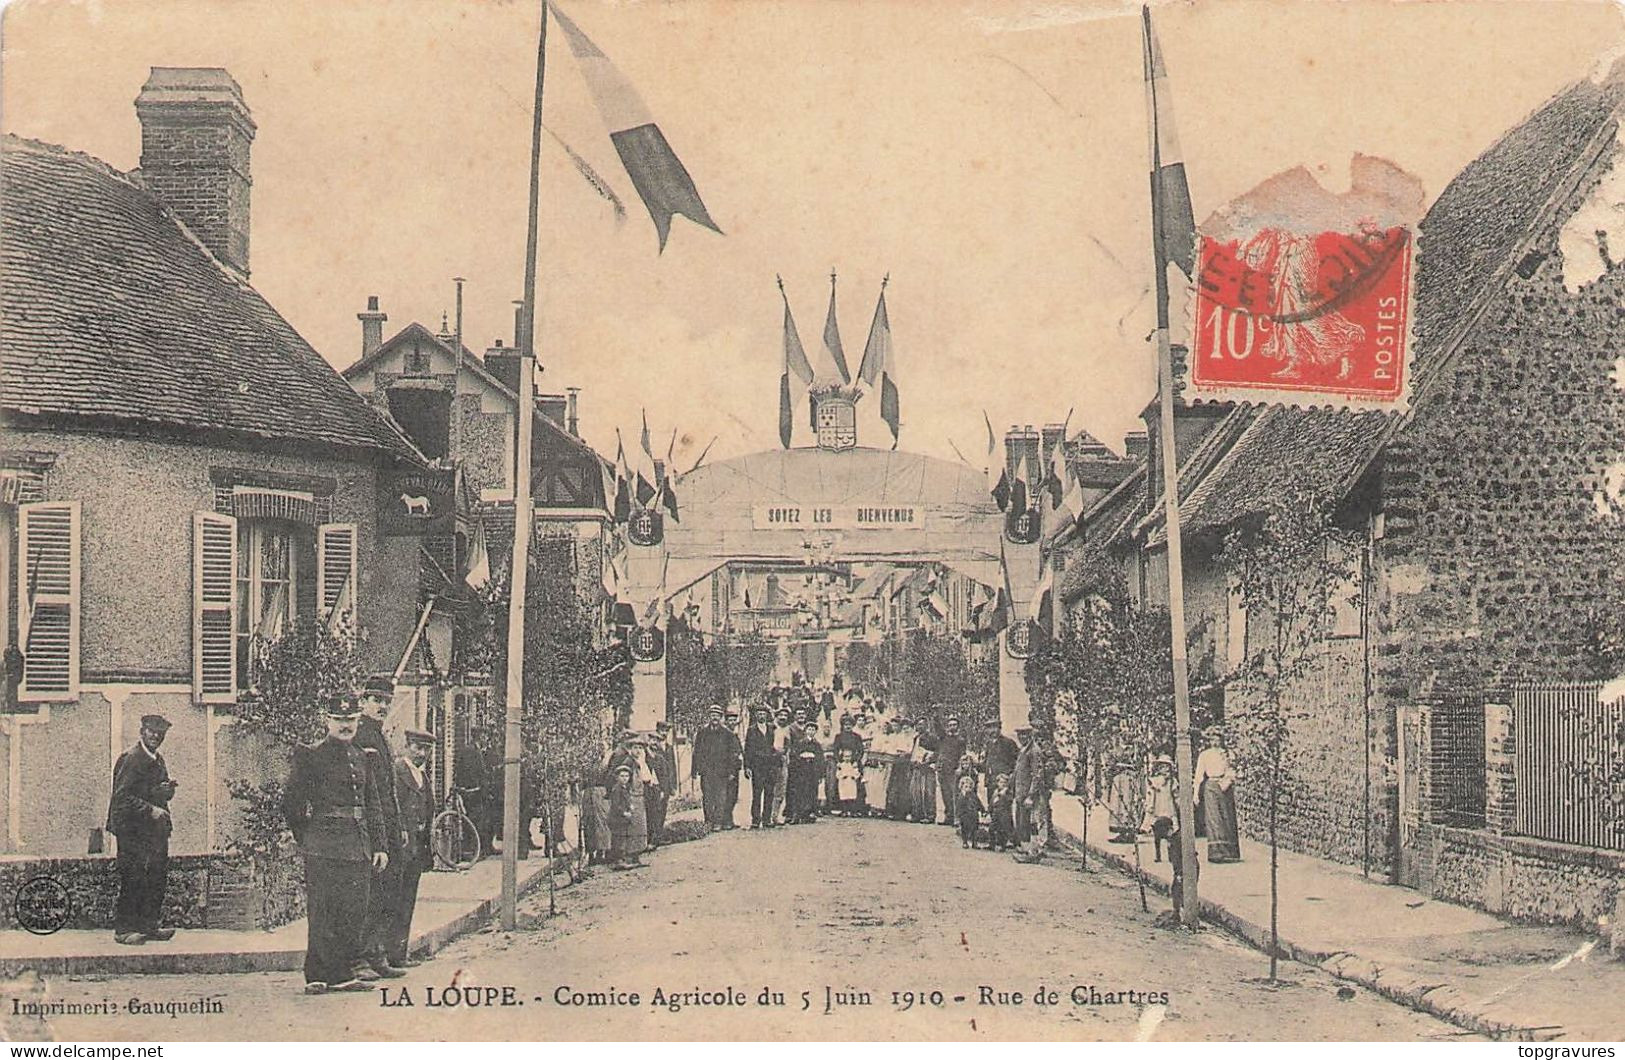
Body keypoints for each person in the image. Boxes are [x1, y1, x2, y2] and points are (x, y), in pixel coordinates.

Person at [283, 699, 388, 995]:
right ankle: (317, 974)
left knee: (353, 910)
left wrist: (380, 846)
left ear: (357, 721)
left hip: (358, 844)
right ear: (327, 720)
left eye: (351, 720)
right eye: (339, 719)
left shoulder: (362, 756)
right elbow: (291, 803)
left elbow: (372, 804)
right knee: (323, 910)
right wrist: (307, 838)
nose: (345, 726)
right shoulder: (312, 756)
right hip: (323, 846)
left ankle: (341, 972)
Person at [106, 713, 178, 945]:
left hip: (153, 830)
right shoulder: (131, 758)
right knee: (133, 875)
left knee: (156, 875)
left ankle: (149, 926)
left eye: (160, 734)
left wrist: (167, 790)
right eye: (152, 732)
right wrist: (151, 810)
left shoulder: (158, 760)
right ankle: (124, 930)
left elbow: (152, 792)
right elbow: (122, 798)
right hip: (131, 828)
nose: (156, 736)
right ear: (142, 732)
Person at [353, 676, 406, 980]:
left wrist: (396, 826)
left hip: (387, 824)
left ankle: (377, 953)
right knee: (371, 893)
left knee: (388, 891)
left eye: (387, 701)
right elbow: (368, 790)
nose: (383, 706)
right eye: (377, 700)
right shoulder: (361, 734)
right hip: (371, 827)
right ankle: (361, 956)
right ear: (363, 702)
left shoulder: (378, 734)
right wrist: (377, 835)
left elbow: (388, 789)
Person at [388, 729, 435, 968]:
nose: (422, 753)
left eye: (426, 749)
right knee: (393, 899)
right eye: (418, 747)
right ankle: (387, 955)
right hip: (400, 846)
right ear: (407, 746)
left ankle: (399, 954)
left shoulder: (422, 777)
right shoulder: (397, 771)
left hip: (417, 847)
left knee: (407, 900)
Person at [1194, 729, 1243, 863]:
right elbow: (1199, 775)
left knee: (1227, 817)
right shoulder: (1204, 755)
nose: (1215, 742)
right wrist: (1196, 794)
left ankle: (1231, 853)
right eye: (1212, 739)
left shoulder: (1227, 754)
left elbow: (1234, 769)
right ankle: (1216, 853)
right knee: (1214, 818)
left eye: (1217, 739)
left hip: (1225, 785)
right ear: (1209, 741)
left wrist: (1229, 779)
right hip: (1211, 786)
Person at [691, 706, 741, 830]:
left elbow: (733, 755)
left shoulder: (727, 734)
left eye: (717, 715)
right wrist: (694, 770)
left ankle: (718, 822)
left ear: (721, 717)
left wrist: (731, 772)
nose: (715, 717)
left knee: (721, 798)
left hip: (722, 771)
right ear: (709, 716)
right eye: (712, 715)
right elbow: (696, 752)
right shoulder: (702, 733)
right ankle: (709, 821)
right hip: (706, 771)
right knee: (707, 797)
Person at [744, 705, 781, 829]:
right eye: (759, 714)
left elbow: (778, 745)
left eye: (763, 713)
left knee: (769, 793)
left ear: (767, 715)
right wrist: (747, 767)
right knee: (757, 793)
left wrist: (776, 761)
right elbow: (747, 749)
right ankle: (755, 820)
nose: (761, 716)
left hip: (770, 766)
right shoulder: (751, 730)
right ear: (756, 716)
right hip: (757, 766)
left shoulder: (772, 728)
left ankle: (766, 819)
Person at [607, 763, 643, 870]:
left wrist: (630, 806)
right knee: (618, 838)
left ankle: (623, 859)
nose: (624, 778)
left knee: (623, 838)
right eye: (622, 776)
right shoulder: (616, 789)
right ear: (617, 777)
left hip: (623, 818)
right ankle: (618, 860)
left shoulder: (625, 788)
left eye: (627, 776)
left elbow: (626, 800)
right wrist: (624, 812)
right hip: (616, 818)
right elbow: (616, 805)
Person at [649, 723, 678, 846]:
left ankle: (659, 835)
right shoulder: (652, 749)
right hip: (657, 784)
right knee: (655, 810)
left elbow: (672, 767)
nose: (664, 733)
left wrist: (673, 785)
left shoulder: (669, 747)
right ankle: (654, 837)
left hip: (666, 784)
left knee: (663, 810)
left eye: (666, 731)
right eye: (662, 730)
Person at [934, 717, 967, 827]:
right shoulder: (944, 738)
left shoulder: (960, 740)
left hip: (953, 771)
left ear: (958, 726)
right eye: (950, 725)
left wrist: (959, 768)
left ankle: (956, 819)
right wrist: (936, 716)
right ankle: (948, 817)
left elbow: (963, 755)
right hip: (942, 770)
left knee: (954, 795)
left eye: (954, 725)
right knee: (945, 794)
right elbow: (938, 728)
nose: (952, 727)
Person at [831, 714, 866, 815]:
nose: (848, 726)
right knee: (842, 785)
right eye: (846, 724)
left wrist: (856, 761)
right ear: (842, 725)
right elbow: (835, 750)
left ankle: (855, 809)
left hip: (854, 763)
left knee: (856, 785)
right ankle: (844, 809)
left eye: (850, 724)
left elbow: (860, 751)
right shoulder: (839, 737)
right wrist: (839, 762)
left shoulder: (857, 737)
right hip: (843, 763)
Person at [1145, 755, 1177, 863]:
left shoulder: (1172, 781)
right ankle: (1158, 855)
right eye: (1162, 767)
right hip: (1158, 806)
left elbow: (1175, 794)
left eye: (1167, 767)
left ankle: (1171, 855)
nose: (1165, 769)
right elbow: (1151, 794)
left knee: (1171, 833)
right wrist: (1150, 806)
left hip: (1168, 806)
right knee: (1157, 832)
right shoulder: (1155, 781)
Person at [883, 720, 915, 821]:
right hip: (898, 764)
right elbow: (893, 749)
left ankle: (905, 812)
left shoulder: (914, 738)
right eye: (904, 728)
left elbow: (911, 751)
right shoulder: (899, 737)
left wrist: (905, 753)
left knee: (906, 788)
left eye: (908, 728)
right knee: (895, 787)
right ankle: (894, 811)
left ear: (911, 728)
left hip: (908, 764)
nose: (906, 730)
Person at [982, 719, 1019, 802]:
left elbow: (1017, 761)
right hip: (991, 782)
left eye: (995, 727)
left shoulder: (1008, 743)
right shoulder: (989, 744)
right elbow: (986, 763)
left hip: (1003, 782)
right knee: (992, 806)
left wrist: (1010, 776)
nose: (992, 730)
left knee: (1003, 808)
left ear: (999, 728)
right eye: (989, 728)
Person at [1010, 727, 1035, 848]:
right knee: (1020, 820)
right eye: (1020, 735)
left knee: (1025, 821)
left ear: (1030, 735)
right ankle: (1022, 846)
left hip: (1026, 793)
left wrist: (1030, 795)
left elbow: (1037, 775)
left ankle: (1027, 848)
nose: (1022, 738)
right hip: (1019, 792)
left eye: (1024, 735)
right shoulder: (1023, 750)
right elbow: (1017, 771)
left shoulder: (1033, 751)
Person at [955, 773, 984, 849]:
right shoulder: (961, 796)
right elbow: (958, 807)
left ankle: (975, 843)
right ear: (962, 787)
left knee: (975, 829)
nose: (968, 788)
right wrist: (958, 817)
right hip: (964, 816)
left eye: (970, 787)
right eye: (966, 787)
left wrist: (982, 810)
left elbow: (979, 803)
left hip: (974, 815)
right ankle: (965, 842)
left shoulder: (973, 795)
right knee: (964, 829)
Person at [987, 773, 1015, 851]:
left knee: (1002, 831)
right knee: (991, 829)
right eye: (1001, 782)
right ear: (997, 783)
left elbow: (1010, 801)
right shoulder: (995, 792)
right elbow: (992, 802)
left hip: (1004, 814)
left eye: (1004, 783)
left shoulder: (1008, 793)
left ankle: (1003, 846)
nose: (1002, 784)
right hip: (995, 813)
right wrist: (989, 811)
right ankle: (991, 844)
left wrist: (1003, 795)